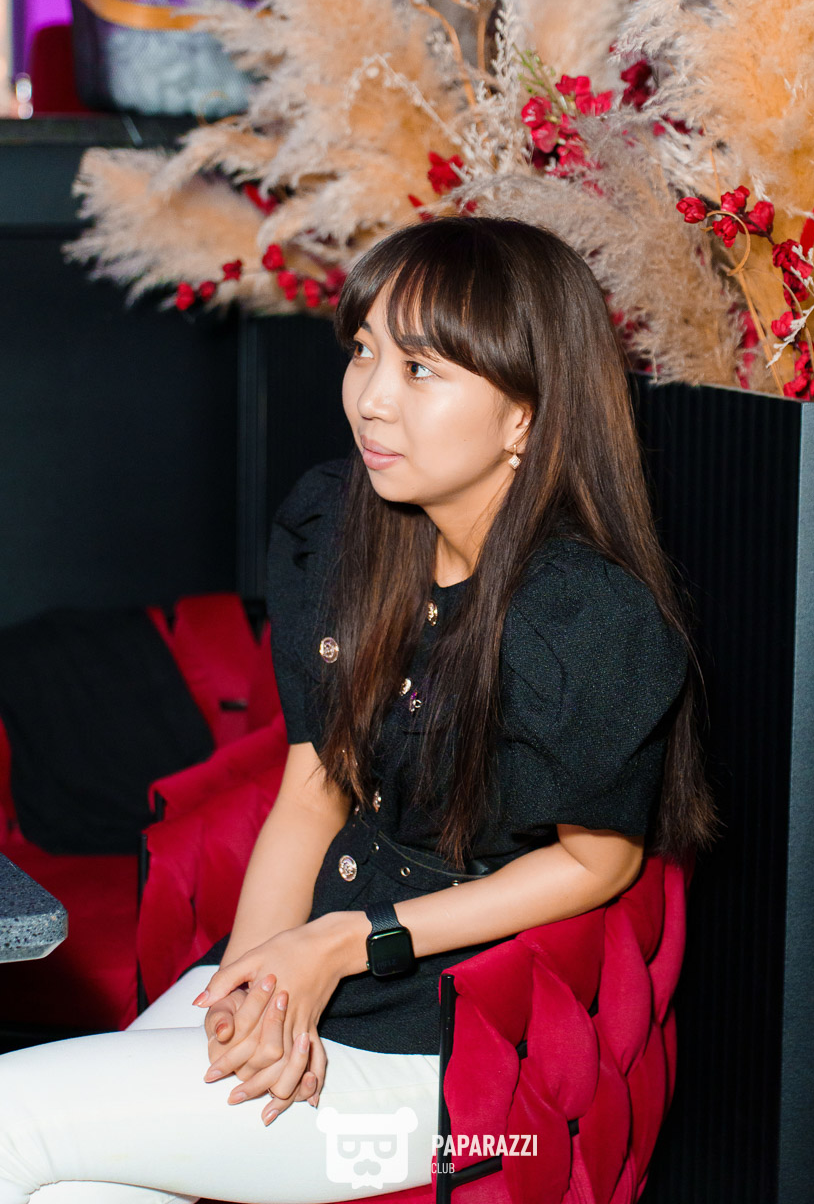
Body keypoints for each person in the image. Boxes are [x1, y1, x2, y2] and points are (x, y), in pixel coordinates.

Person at [0, 216, 718, 1203]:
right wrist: (256, 980)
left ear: (524, 415)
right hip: (311, 960)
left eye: (421, 370)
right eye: (365, 351)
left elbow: (600, 864)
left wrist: (343, 942)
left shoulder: (584, 617)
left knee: (13, 1114)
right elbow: (312, 791)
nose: (370, 397)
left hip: (450, 1062)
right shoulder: (340, 529)